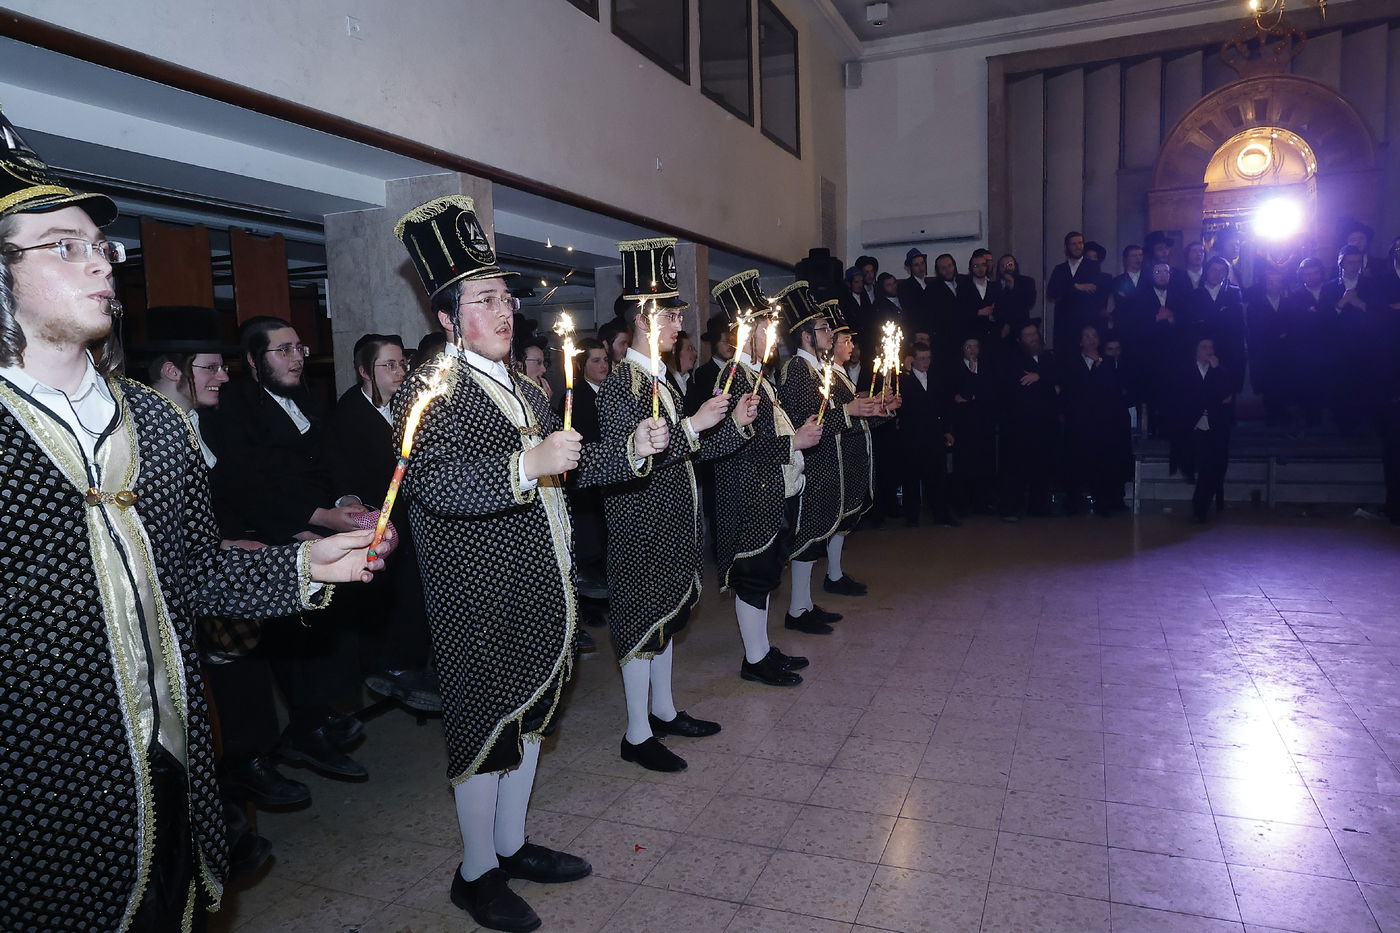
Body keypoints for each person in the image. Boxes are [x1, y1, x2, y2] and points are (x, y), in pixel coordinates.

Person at [0, 106, 380, 932]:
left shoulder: (156, 420)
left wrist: (304, 567)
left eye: (100, 245)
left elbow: (194, 571)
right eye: (62, 246)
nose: (99, 261)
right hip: (44, 787)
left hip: (172, 753)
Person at [392, 197, 663, 931]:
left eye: (505, 297)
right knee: (486, 729)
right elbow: (433, 485)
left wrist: (630, 448)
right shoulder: (430, 389)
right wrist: (523, 464)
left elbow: (566, 465)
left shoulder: (523, 386)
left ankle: (510, 844)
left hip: (541, 581)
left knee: (533, 716)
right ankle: (475, 871)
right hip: (477, 592)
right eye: (483, 299)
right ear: (447, 317)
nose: (504, 310)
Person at [582, 237, 757, 775]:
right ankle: (637, 734)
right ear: (643, 318)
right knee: (641, 625)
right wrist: (696, 424)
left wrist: (732, 426)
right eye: (672, 315)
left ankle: (663, 710)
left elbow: (687, 451)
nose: (680, 324)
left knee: (664, 621)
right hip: (640, 524)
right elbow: (631, 459)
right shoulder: (621, 385)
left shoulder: (658, 380)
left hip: (673, 521)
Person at [207, 315, 374, 782]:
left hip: (317, 523)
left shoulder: (306, 397)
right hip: (273, 531)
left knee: (335, 617)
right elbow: (250, 485)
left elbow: (330, 460)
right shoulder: (234, 408)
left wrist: (345, 501)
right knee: (296, 635)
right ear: (252, 360)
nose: (296, 358)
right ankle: (307, 726)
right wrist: (314, 520)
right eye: (283, 350)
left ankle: (317, 713)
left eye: (299, 348)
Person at [710, 271, 823, 686]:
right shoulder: (732, 377)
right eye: (763, 327)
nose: (771, 335)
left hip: (772, 489)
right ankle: (754, 660)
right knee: (752, 576)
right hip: (750, 495)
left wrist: (795, 435)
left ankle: (761, 649)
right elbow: (738, 444)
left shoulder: (757, 374)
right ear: (744, 332)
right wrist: (794, 442)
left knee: (767, 573)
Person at [324, 333, 441, 713]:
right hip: (380, 523)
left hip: (413, 517)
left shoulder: (406, 404)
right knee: (393, 597)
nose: (399, 371)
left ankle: (413, 664)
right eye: (388, 365)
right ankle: (393, 668)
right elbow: (339, 470)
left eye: (402, 363)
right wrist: (350, 501)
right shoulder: (349, 414)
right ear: (364, 371)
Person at [775, 280, 880, 632]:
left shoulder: (818, 369)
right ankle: (796, 611)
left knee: (816, 538)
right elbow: (806, 419)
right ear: (806, 336)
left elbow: (833, 414)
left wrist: (862, 409)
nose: (830, 334)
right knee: (806, 540)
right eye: (823, 328)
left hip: (829, 465)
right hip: (814, 467)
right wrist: (849, 411)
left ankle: (804, 604)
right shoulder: (797, 369)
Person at [822, 298, 898, 595]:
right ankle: (826, 580)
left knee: (844, 522)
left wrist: (882, 408)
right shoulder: (825, 375)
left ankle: (835, 572)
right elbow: (830, 419)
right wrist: (860, 407)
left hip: (851, 454)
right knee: (828, 525)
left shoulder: (841, 375)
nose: (852, 345)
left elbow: (858, 420)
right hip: (834, 457)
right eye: (846, 340)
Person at [1059, 325, 1127, 516]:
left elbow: (1114, 389)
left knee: (1102, 463)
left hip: (1102, 423)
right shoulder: (1070, 363)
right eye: (1087, 336)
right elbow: (1069, 390)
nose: (1091, 340)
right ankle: (1073, 501)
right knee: (1075, 462)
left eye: (1094, 336)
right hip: (1078, 421)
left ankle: (1103, 502)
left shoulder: (1108, 362)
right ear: (1080, 341)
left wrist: (1099, 364)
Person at [999, 322, 1060, 520]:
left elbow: (1057, 381)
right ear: (1020, 340)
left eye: (1034, 334)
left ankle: (1039, 506)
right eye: (1028, 335)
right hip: (1021, 423)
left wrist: (1039, 377)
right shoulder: (1014, 359)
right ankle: (1012, 508)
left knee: (1042, 465)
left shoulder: (1048, 357)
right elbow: (1021, 386)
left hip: (1045, 422)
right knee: (1017, 467)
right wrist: (1045, 383)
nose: (1033, 338)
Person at [1171, 337, 1235, 524]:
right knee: (1205, 466)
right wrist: (1212, 399)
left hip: (1215, 427)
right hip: (1193, 427)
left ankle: (1200, 509)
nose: (1208, 350)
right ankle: (1199, 510)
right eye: (1204, 347)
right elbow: (1186, 398)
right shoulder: (1185, 372)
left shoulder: (1220, 371)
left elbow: (1227, 396)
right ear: (1196, 350)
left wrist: (1217, 371)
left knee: (1214, 468)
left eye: (1211, 347)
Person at [898, 342, 956, 526]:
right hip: (912, 436)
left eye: (928, 358)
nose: (926, 362)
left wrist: (947, 430)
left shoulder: (936, 377)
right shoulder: (903, 379)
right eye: (922, 358)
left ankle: (941, 514)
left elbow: (944, 406)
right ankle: (912, 517)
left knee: (937, 476)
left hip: (934, 434)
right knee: (911, 477)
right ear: (912, 360)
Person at [947, 337, 998, 516]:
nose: (972, 350)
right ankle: (962, 503)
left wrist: (973, 397)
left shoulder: (987, 368)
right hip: (963, 424)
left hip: (983, 423)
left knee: (983, 462)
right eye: (968, 346)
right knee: (963, 463)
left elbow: (989, 393)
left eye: (975, 346)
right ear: (963, 349)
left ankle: (982, 502)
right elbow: (958, 394)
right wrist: (968, 396)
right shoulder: (955, 369)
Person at [1245, 267, 1292, 429]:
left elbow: (1292, 326)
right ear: (1265, 283)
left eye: (1277, 281)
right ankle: (1271, 419)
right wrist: (1279, 334)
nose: (1273, 284)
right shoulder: (1255, 305)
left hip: (1285, 355)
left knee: (1284, 386)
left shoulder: (1288, 303)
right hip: (1264, 354)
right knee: (1268, 387)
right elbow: (1256, 329)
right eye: (1270, 281)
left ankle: (1283, 417)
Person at [1046, 231, 1102, 353]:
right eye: (1074, 244)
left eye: (1080, 243)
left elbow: (1092, 290)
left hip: (1085, 322)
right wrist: (1076, 287)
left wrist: (1066, 289)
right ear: (1067, 247)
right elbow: (1052, 292)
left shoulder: (1093, 266)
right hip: (1064, 323)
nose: (1078, 247)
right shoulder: (1059, 269)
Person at [995, 254, 1037, 344]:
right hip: (1000, 330)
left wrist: (1012, 286)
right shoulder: (994, 286)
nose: (1006, 268)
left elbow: (1029, 302)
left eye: (1010, 265)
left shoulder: (1027, 282)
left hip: (1021, 328)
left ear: (1015, 266)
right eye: (1003, 266)